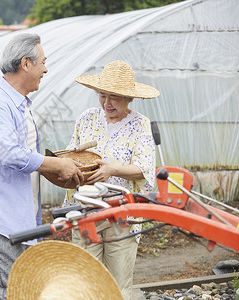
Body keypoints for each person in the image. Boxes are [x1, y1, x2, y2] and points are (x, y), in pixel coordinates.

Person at [0, 33, 84, 300]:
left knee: (24, 288)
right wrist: (56, 164)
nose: (46, 69)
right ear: (25, 63)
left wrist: (57, 169)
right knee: (8, 291)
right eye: (43, 62)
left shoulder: (20, 105)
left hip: (19, 212)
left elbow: (27, 158)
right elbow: (11, 154)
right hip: (1, 215)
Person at [63, 60, 159, 300]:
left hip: (121, 214)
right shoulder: (86, 119)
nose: (107, 103)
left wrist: (112, 170)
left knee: (118, 286)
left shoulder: (140, 125)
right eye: (102, 95)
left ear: (129, 98)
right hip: (86, 211)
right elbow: (70, 155)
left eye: (114, 97)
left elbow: (144, 169)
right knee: (85, 282)